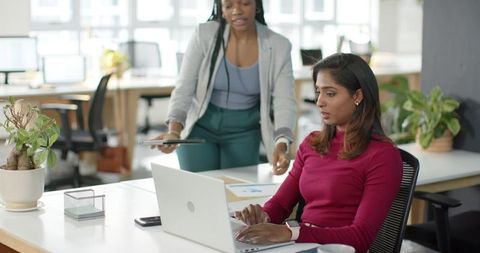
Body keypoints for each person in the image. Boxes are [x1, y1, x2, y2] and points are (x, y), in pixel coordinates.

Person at [234, 53, 403, 253]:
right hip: (301, 245)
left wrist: (291, 233)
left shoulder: (383, 156)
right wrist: (263, 216)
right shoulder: (312, 143)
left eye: (330, 93)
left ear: (357, 96)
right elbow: (281, 203)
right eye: (318, 92)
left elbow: (361, 237)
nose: (320, 102)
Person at [153, 0, 296, 173]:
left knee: (235, 191)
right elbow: (184, 87)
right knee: (198, 191)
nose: (236, 11)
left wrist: (282, 144)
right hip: (200, 127)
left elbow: (284, 101)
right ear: (221, 8)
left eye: (245, 3)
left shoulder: (279, 45)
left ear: (256, 5)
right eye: (228, 6)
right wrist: (174, 132)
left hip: (245, 131)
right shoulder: (204, 34)